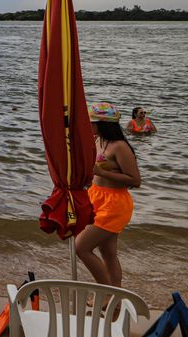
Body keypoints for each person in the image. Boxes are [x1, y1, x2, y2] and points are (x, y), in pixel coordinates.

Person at [75, 102, 141, 287]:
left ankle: (107, 292)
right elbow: (93, 172)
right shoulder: (98, 141)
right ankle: (116, 300)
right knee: (108, 253)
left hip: (114, 204)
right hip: (96, 197)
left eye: (91, 123)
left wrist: (101, 172)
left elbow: (135, 180)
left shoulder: (119, 146)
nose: (88, 126)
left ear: (102, 124)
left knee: (81, 247)